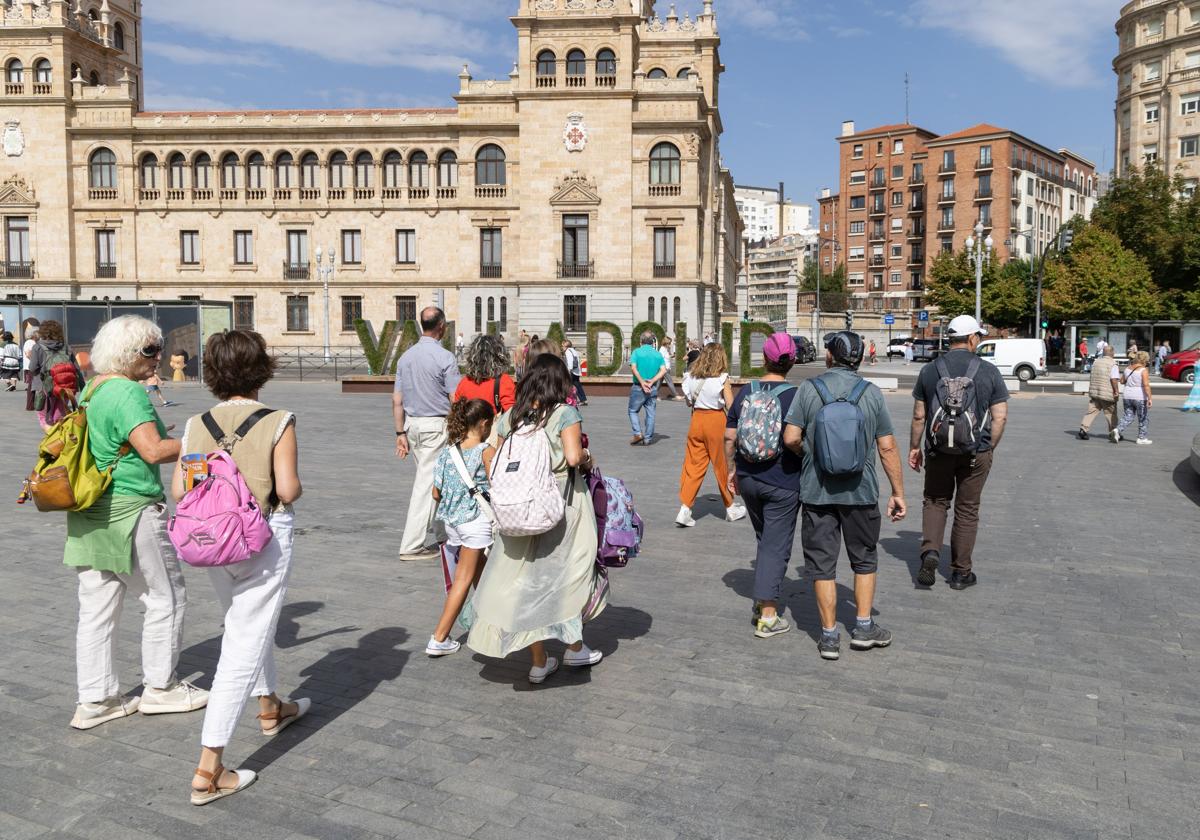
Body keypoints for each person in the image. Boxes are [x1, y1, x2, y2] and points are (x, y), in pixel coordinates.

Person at [172, 329, 307, 806]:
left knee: (246, 624)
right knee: (242, 644)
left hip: (211, 541)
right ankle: (209, 767)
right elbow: (286, 490)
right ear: (261, 369)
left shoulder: (196, 423)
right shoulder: (279, 420)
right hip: (263, 539)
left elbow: (179, 489)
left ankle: (271, 707)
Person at [63, 315, 207, 731]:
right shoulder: (127, 391)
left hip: (90, 509)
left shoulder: (95, 388)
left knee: (96, 608)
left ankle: (96, 699)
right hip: (130, 506)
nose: (158, 356)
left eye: (157, 348)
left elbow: (118, 440)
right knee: (166, 597)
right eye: (149, 350)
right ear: (128, 354)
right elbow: (154, 451)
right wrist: (200, 440)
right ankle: (161, 689)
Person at [468, 354, 604, 683]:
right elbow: (572, 457)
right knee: (569, 574)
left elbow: (494, 460)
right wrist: (587, 456)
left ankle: (539, 661)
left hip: (518, 508)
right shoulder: (564, 413)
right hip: (561, 504)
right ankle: (574, 648)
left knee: (526, 581)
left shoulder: (512, 416)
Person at [783, 332, 907, 660]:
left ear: (829, 356)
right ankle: (864, 628)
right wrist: (898, 492)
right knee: (864, 558)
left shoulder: (809, 389)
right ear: (859, 360)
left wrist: (811, 452)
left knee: (822, 565)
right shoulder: (871, 394)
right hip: (861, 491)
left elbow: (791, 436)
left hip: (816, 491)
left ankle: (828, 637)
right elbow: (887, 446)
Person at [908, 315, 1009, 591]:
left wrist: (914, 448)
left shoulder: (930, 370)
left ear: (950, 339)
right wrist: (989, 446)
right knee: (967, 509)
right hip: (976, 452)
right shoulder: (989, 371)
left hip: (938, 450)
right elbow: (1000, 417)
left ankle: (930, 552)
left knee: (935, 500)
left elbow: (919, 416)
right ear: (972, 338)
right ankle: (961, 573)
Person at [723, 333, 803, 638]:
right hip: (782, 479)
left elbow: (730, 437)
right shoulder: (796, 394)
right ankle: (768, 615)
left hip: (749, 477)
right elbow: (796, 438)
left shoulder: (746, 392)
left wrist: (733, 471)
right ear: (792, 361)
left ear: (764, 359)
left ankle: (762, 598)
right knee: (775, 544)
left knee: (765, 539)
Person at [427, 398, 495, 657]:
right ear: (484, 423)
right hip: (475, 522)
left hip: (453, 523)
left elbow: (436, 492)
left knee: (482, 576)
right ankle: (439, 637)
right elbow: (496, 484)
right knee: (463, 580)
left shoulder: (448, 452)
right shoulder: (485, 451)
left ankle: (492, 624)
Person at [393, 307, 462, 560]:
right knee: (426, 486)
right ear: (441, 326)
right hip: (437, 425)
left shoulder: (405, 358)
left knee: (436, 480)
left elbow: (397, 399)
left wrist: (399, 431)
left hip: (413, 426)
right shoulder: (445, 358)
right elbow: (455, 398)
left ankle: (442, 533)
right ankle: (411, 545)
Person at [676, 343, 746, 527]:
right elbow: (730, 406)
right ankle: (730, 507)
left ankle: (685, 509)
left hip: (696, 421)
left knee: (693, 465)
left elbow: (688, 403)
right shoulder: (722, 378)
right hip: (716, 422)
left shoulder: (690, 377)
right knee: (723, 464)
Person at [28, 319, 83, 431]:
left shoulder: (38, 347)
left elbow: (32, 368)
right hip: (64, 385)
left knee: (43, 417)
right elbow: (76, 368)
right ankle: (60, 438)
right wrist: (82, 386)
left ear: (42, 332)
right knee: (60, 415)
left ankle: (52, 441)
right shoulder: (66, 347)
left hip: (43, 387)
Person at [454, 333, 516, 413]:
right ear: (500, 356)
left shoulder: (464, 383)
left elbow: (457, 411)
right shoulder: (504, 381)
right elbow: (511, 413)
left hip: (469, 425)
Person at [629, 331, 667, 445]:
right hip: (653, 387)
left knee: (633, 410)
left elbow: (634, 368)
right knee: (651, 413)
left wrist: (642, 382)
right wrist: (652, 381)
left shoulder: (636, 352)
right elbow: (663, 370)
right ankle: (648, 438)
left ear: (641, 341)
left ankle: (638, 433)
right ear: (652, 342)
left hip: (638, 387)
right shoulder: (658, 354)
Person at [1078, 345, 1121, 441]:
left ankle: (1083, 429)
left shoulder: (1096, 362)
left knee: (1091, 411)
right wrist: (1116, 391)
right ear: (1112, 353)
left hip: (1095, 392)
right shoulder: (1113, 364)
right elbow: (1114, 379)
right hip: (1107, 393)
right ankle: (1114, 432)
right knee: (1111, 413)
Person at [1116, 351, 1153, 445]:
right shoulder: (1143, 370)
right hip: (1139, 396)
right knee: (1143, 418)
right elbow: (1146, 385)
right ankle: (1141, 438)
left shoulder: (1128, 368)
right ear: (1145, 359)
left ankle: (1117, 430)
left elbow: (1122, 381)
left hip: (1127, 395)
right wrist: (1149, 398)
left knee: (1128, 416)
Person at [21, 318, 39, 412]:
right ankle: (30, 405)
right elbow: (28, 354)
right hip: (31, 367)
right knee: (32, 387)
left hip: (30, 367)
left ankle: (32, 404)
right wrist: (36, 360)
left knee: (32, 386)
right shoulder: (30, 342)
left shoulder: (30, 342)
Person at [563, 339, 587, 406]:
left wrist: (569, 371)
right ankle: (583, 400)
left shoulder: (568, 351)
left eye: (563, 346)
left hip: (572, 372)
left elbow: (570, 361)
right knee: (578, 386)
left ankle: (567, 400)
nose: (562, 347)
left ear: (566, 346)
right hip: (576, 371)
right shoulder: (574, 351)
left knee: (567, 385)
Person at [659, 336, 679, 400]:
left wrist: (671, 356)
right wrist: (664, 368)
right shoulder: (662, 349)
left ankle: (653, 396)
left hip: (666, 368)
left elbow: (666, 358)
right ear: (666, 343)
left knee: (658, 383)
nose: (670, 344)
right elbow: (660, 359)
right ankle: (676, 395)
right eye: (669, 343)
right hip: (665, 369)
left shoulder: (665, 349)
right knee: (670, 382)